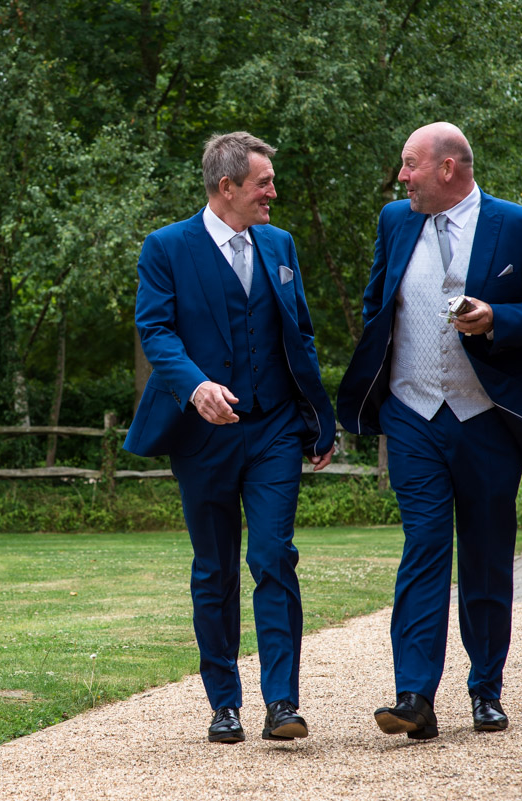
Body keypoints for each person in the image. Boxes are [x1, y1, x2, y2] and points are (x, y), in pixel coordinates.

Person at [337, 122, 522, 740]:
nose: (401, 177)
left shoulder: (520, 227)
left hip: (487, 420)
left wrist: (499, 316)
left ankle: (485, 690)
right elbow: (376, 304)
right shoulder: (396, 221)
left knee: (487, 555)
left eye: (409, 165)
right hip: (412, 415)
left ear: (447, 169)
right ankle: (414, 694)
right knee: (423, 548)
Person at [123, 132, 336, 744]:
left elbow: (301, 336)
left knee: (273, 557)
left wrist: (318, 420)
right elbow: (156, 331)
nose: (274, 192)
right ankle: (224, 703)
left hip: (272, 430)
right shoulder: (166, 248)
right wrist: (196, 387)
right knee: (214, 570)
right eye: (264, 182)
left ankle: (283, 703)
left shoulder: (280, 244)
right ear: (228, 188)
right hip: (204, 437)